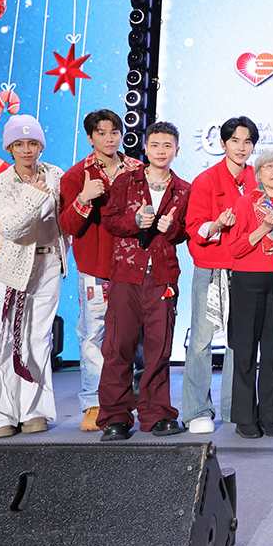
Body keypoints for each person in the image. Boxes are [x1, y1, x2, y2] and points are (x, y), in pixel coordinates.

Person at [97, 122, 191, 441]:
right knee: (117, 347)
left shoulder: (183, 189)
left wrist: (172, 228)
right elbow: (110, 221)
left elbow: (185, 232)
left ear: (177, 150)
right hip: (126, 274)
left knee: (158, 348)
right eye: (155, 145)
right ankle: (115, 417)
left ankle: (157, 414)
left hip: (162, 277)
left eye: (168, 145)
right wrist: (135, 221)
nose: (161, 151)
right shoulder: (126, 181)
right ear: (146, 148)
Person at [0, 115, 68, 438]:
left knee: (38, 339)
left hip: (49, 264)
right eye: (19, 144)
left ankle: (33, 411)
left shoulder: (56, 175)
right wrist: (33, 197)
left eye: (32, 143)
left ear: (41, 145)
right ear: (10, 148)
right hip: (11, 269)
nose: (27, 149)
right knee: (4, 340)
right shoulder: (0, 185)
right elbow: (9, 228)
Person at [59, 109, 143, 432]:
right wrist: (84, 198)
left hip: (133, 266)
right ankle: (94, 403)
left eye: (114, 132)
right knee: (94, 334)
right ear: (90, 137)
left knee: (137, 335)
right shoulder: (75, 176)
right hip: (96, 269)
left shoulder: (137, 170)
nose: (109, 139)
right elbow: (68, 226)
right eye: (102, 133)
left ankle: (137, 400)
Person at [184, 116, 258, 433]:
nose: (241, 148)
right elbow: (194, 227)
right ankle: (197, 410)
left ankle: (234, 408)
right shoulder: (206, 180)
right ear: (223, 143)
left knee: (240, 343)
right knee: (202, 340)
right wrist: (216, 225)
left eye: (247, 142)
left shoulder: (258, 178)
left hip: (248, 268)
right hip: (212, 267)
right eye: (235, 141)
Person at [227, 148, 273, 439]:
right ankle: (245, 417)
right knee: (245, 350)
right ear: (258, 173)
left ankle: (270, 416)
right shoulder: (245, 202)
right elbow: (235, 248)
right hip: (249, 278)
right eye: (269, 167)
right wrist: (265, 227)